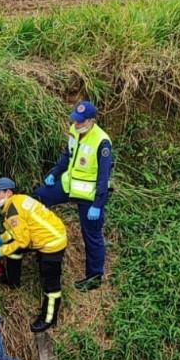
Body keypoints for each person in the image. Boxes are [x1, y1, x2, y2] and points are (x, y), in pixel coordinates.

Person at [33, 100, 113, 292]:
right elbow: (67, 155)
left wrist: (98, 203)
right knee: (38, 197)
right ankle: (35, 240)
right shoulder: (74, 130)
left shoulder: (102, 142)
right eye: (75, 121)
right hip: (69, 185)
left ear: (92, 121)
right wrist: (54, 173)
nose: (77, 124)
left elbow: (104, 177)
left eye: (81, 121)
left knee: (92, 235)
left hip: (89, 196)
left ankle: (93, 277)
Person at [0, 177, 67, 333]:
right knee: (14, 251)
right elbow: (17, 231)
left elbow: (22, 241)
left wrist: (0, 252)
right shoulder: (18, 201)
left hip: (51, 244)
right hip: (50, 234)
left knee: (51, 285)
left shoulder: (12, 210)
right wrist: (0, 239)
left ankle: (48, 319)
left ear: (8, 192)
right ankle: (13, 280)